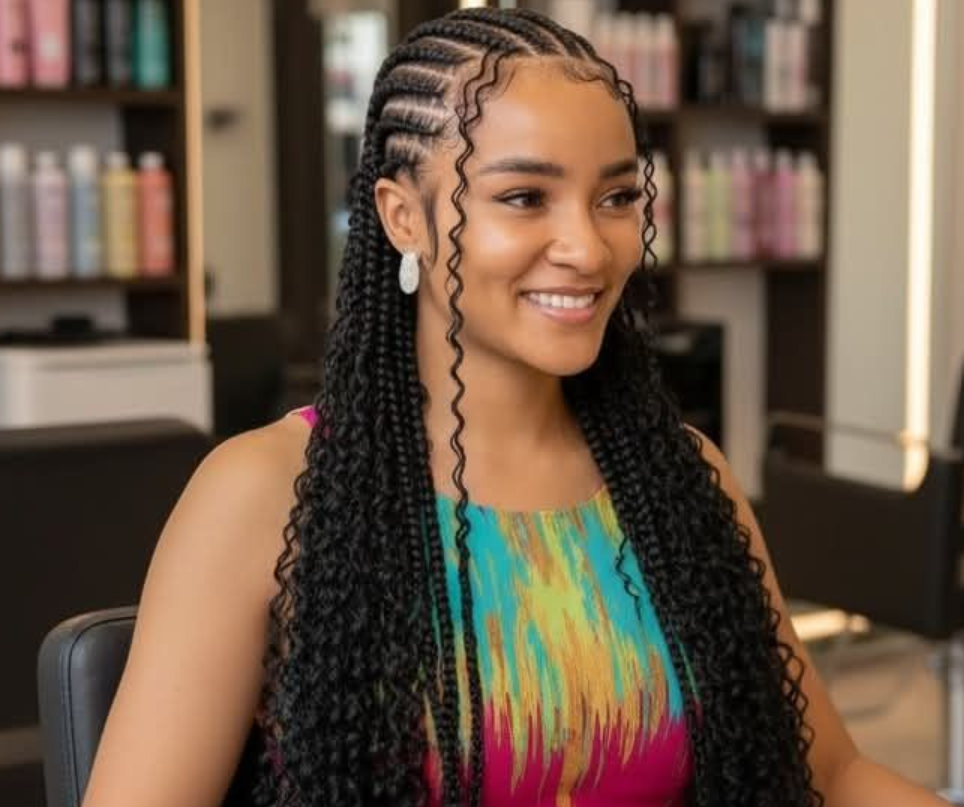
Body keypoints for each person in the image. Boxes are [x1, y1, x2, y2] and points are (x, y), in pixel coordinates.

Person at [79, 8, 946, 807]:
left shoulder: (683, 480)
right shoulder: (261, 493)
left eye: (615, 197)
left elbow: (831, 772)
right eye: (524, 197)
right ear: (402, 216)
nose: (586, 246)